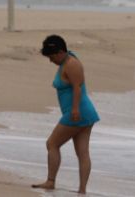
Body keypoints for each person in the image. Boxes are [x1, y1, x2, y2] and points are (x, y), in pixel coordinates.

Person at [32, 34, 100, 194]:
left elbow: (78, 87)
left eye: (51, 57)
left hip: (77, 112)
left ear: (61, 52)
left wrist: (75, 109)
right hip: (84, 113)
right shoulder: (67, 60)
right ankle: (82, 190)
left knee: (52, 144)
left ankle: (50, 181)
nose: (51, 60)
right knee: (82, 152)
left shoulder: (71, 64)